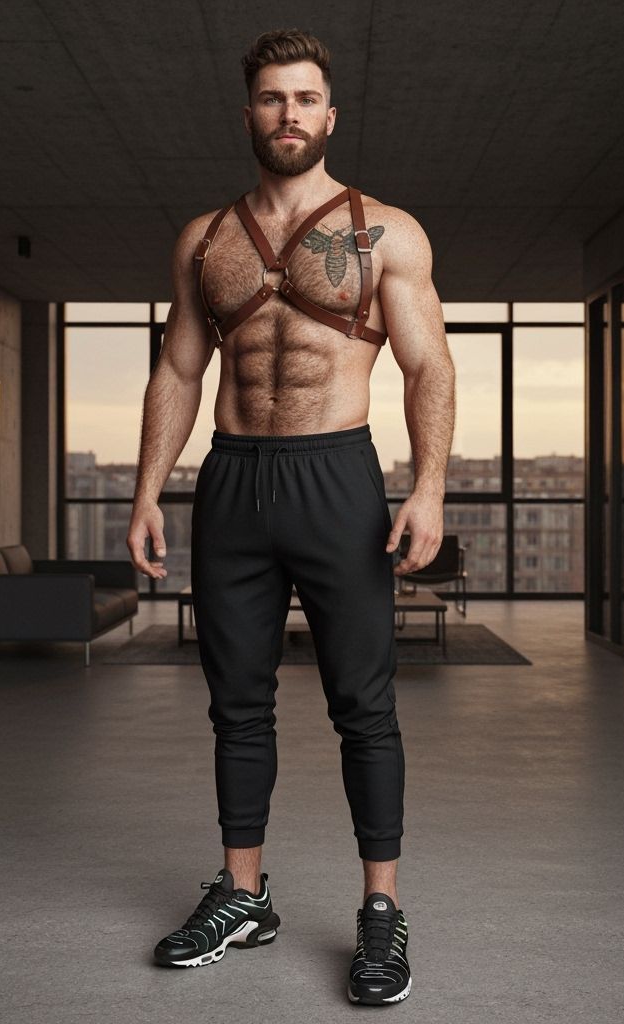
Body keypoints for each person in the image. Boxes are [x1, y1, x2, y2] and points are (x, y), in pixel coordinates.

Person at [127, 27, 455, 1006]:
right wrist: (147, 487)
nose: (289, 115)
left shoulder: (385, 232)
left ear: (329, 114)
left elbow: (429, 364)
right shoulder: (204, 239)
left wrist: (429, 486)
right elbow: (180, 370)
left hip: (336, 478)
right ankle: (242, 894)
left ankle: (382, 913)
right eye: (272, 99)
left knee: (363, 703)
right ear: (249, 114)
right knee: (238, 702)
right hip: (232, 482)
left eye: (305, 98)